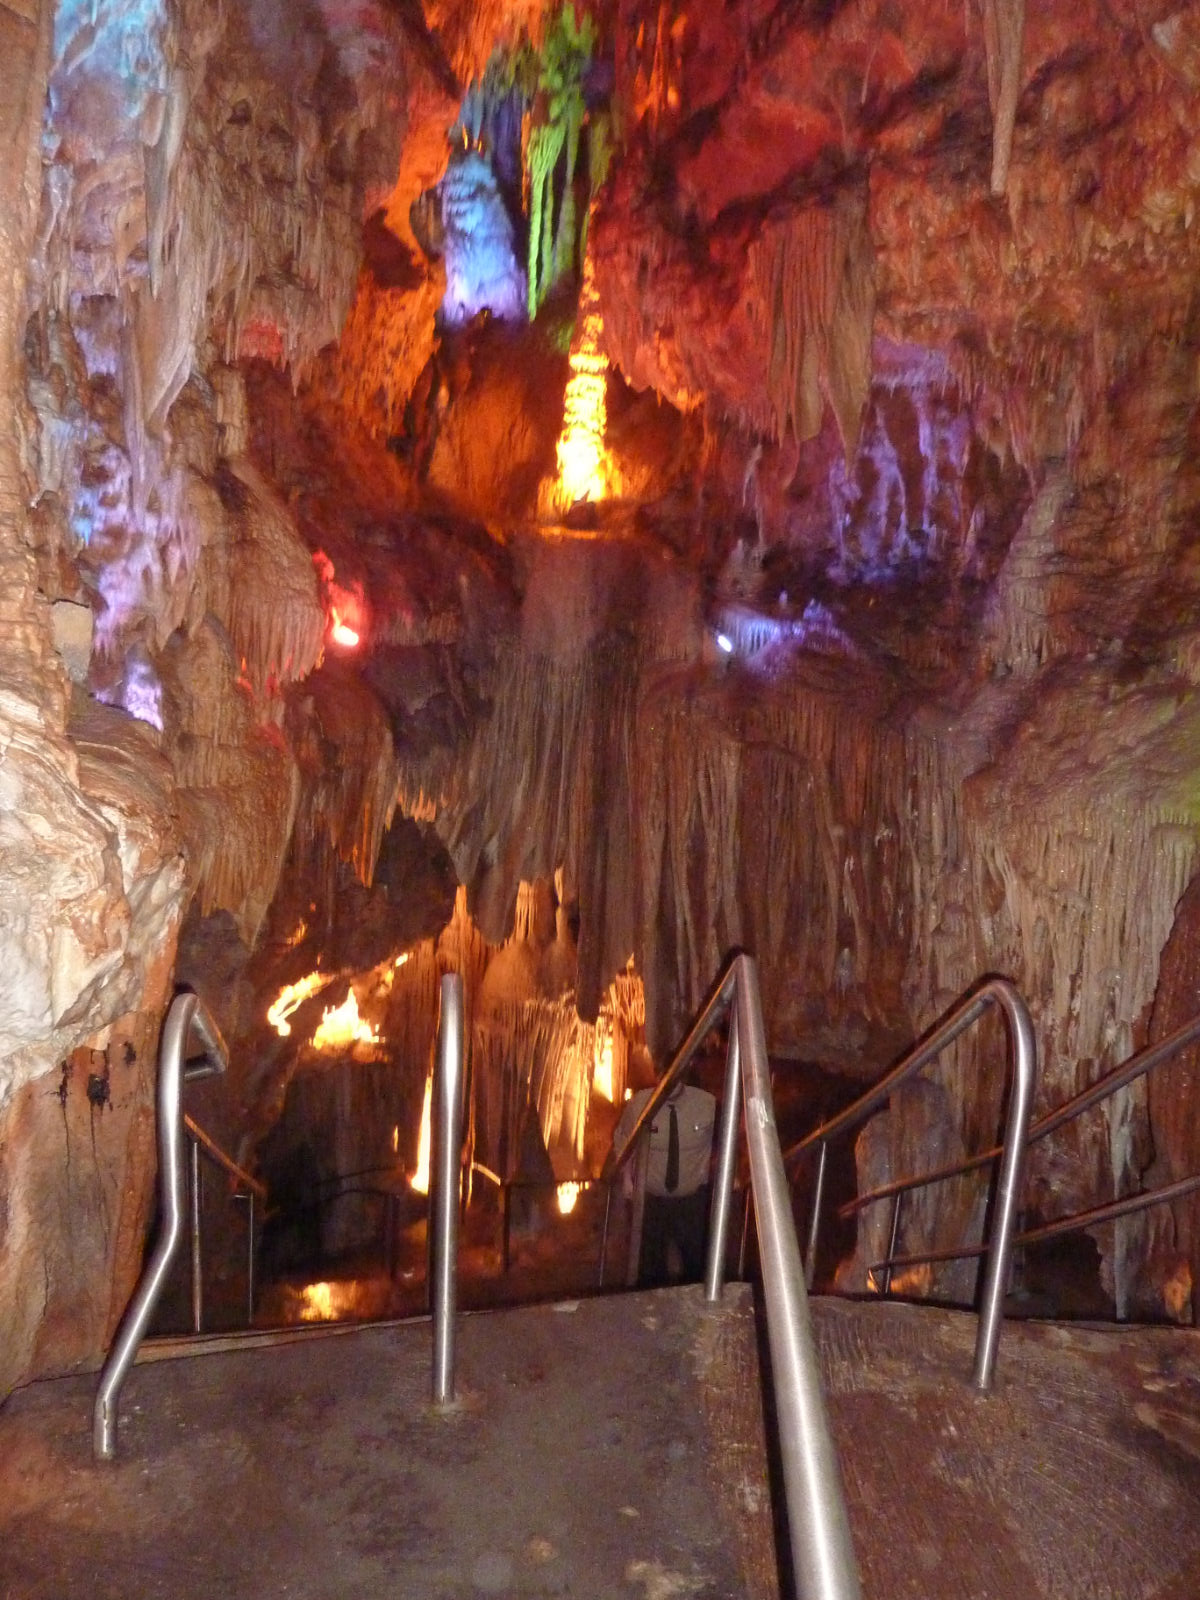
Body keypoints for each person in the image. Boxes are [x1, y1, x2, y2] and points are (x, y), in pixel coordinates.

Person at [613, 1075, 717, 1287]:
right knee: (649, 1269)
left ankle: (697, 1313)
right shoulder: (641, 1104)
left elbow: (727, 1136)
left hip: (692, 1200)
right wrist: (627, 1179)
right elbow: (624, 1141)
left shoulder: (706, 1104)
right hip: (651, 1199)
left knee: (697, 1265)